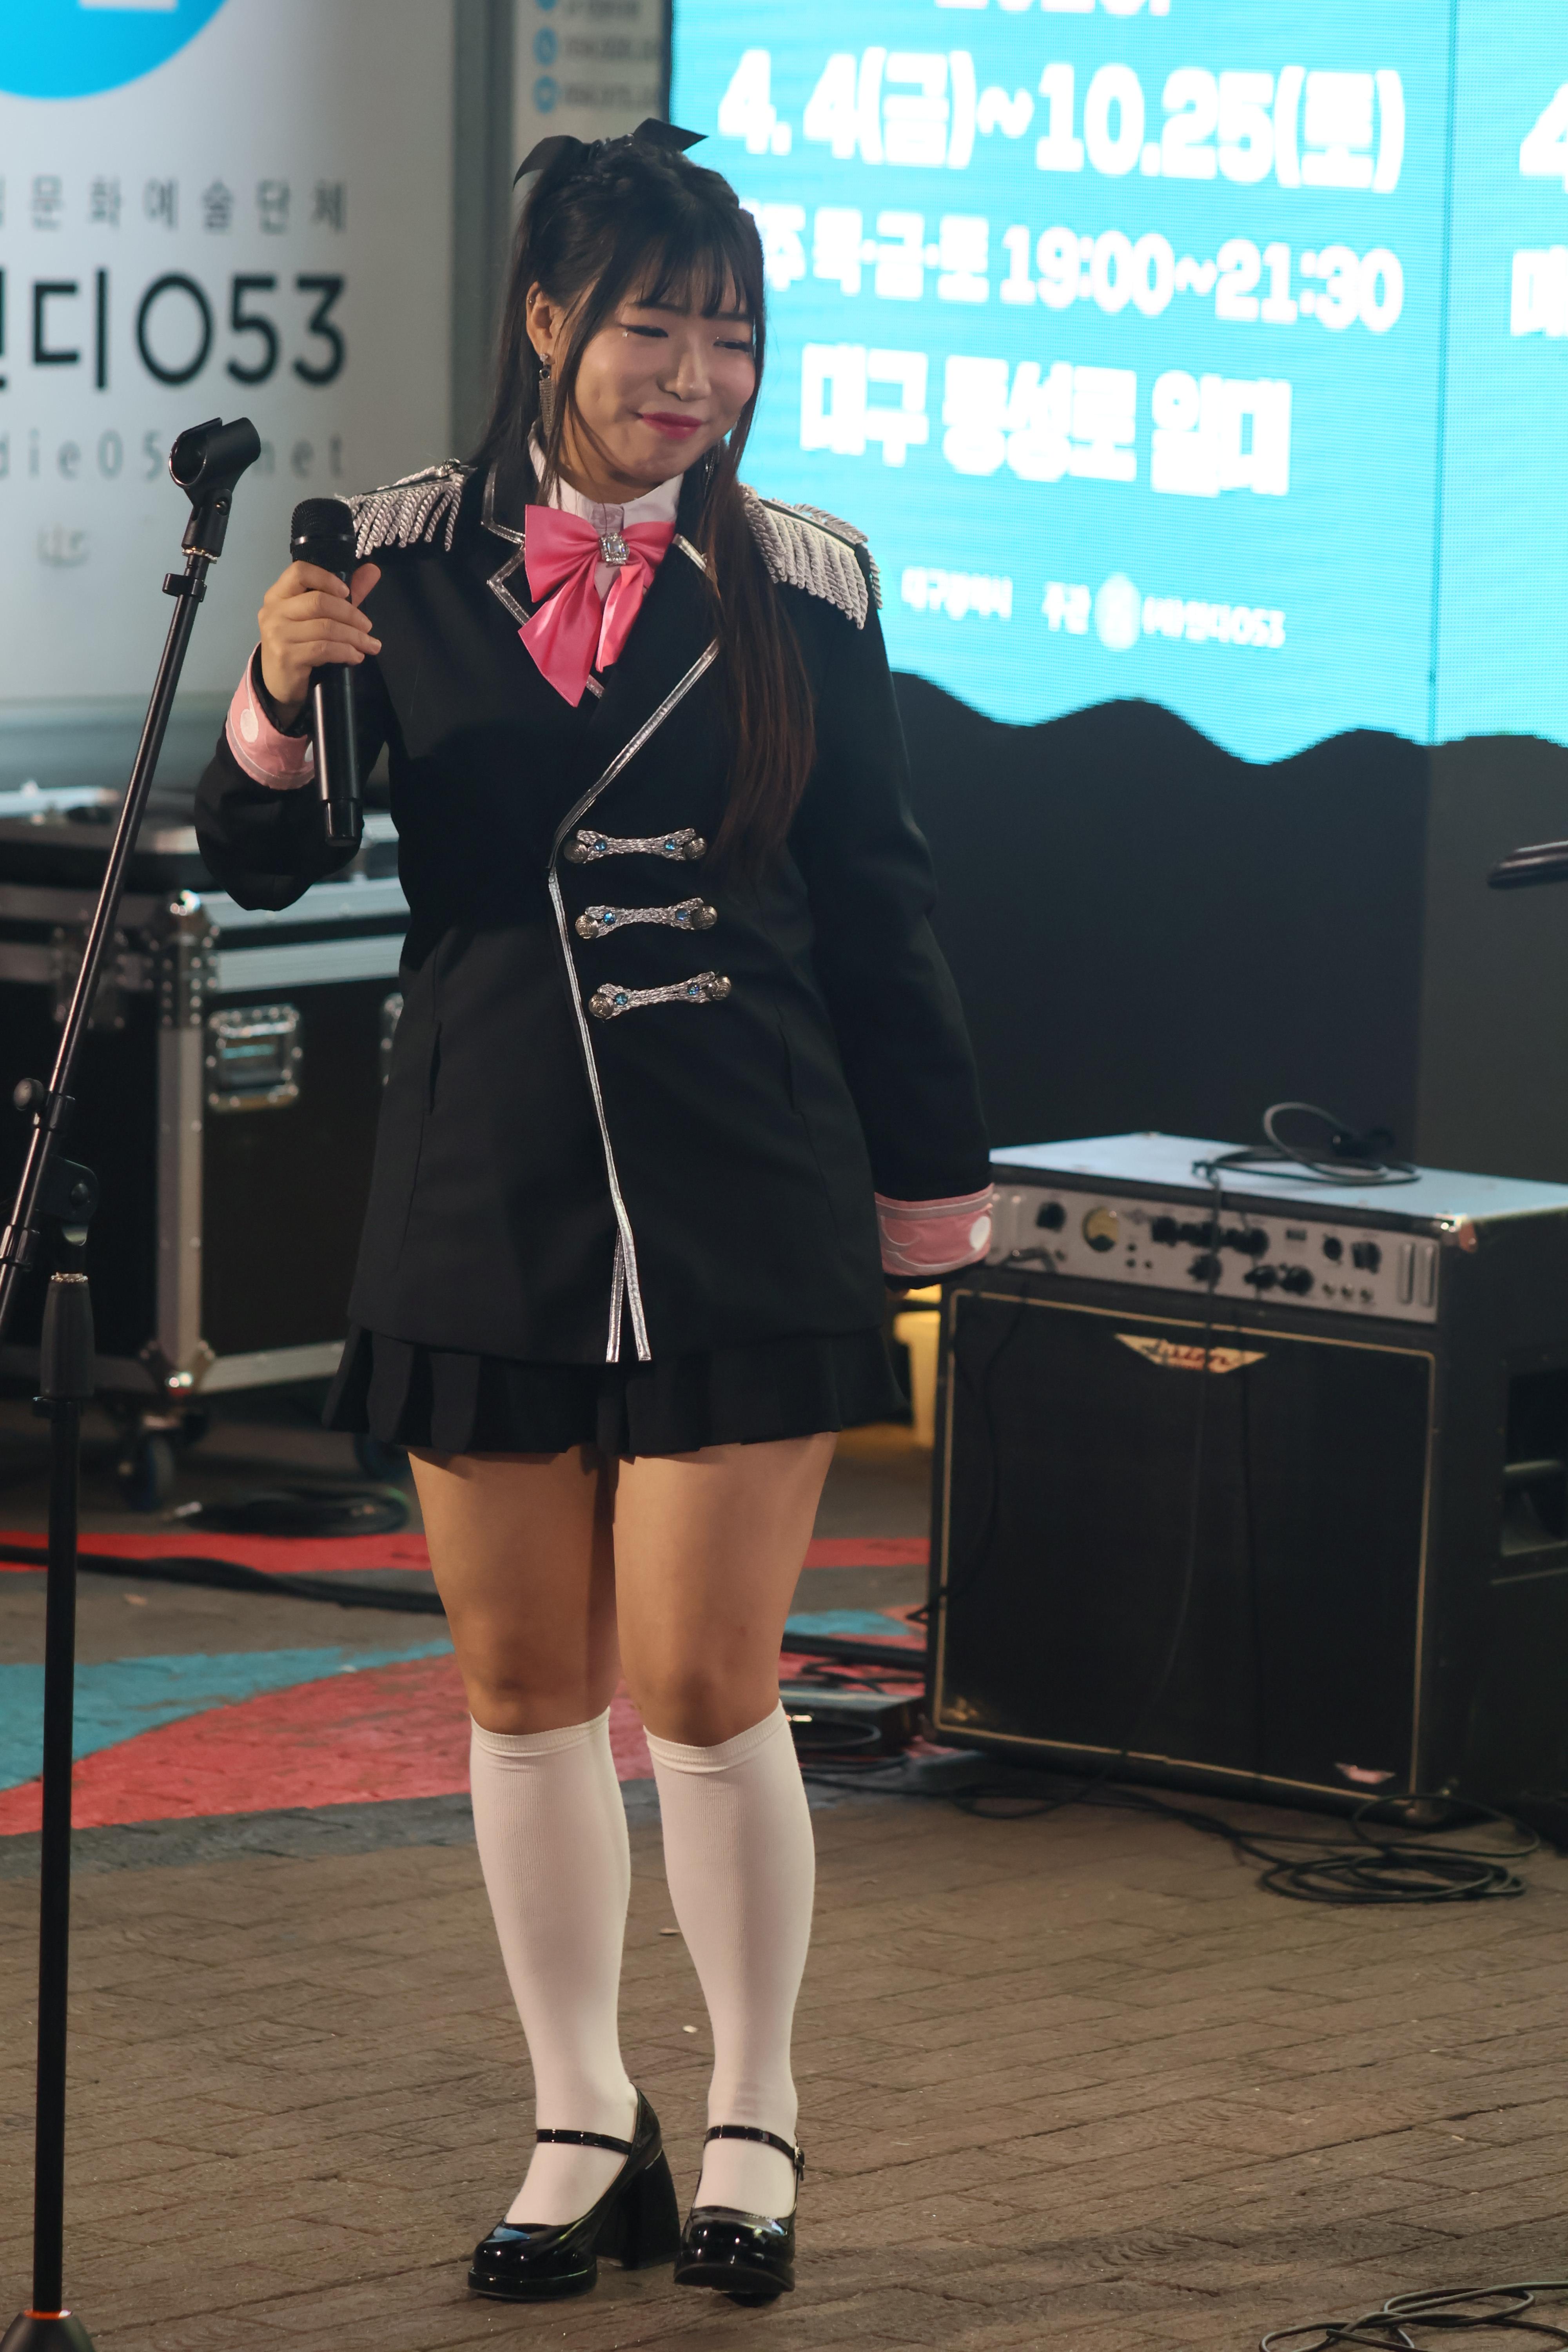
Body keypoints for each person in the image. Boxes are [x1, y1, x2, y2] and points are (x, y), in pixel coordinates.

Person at [195, 120, 992, 2308]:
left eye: (731, 338)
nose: (697, 379)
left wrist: (932, 1194)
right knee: (524, 1687)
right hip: (486, 1175)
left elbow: (883, 905)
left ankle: (754, 2111)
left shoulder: (807, 578)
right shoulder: (386, 554)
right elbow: (264, 866)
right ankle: (578, 2114)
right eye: (656, 329)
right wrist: (275, 691)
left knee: (708, 1681)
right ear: (549, 319)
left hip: (747, 1177)